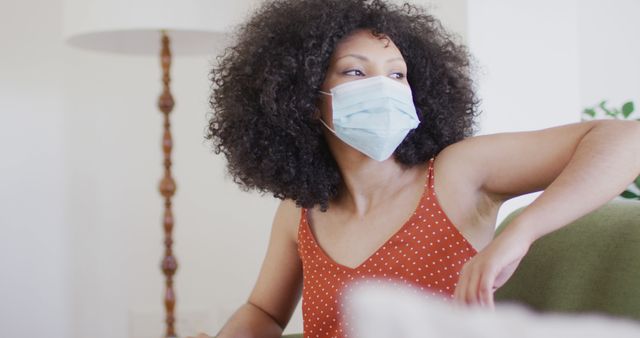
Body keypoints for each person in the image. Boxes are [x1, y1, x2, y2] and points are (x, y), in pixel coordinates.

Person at [192, 0, 640, 337]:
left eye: (397, 75)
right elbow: (264, 313)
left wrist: (521, 235)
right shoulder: (301, 210)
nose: (383, 89)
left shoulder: (456, 173)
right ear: (305, 98)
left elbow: (627, 139)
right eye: (354, 73)